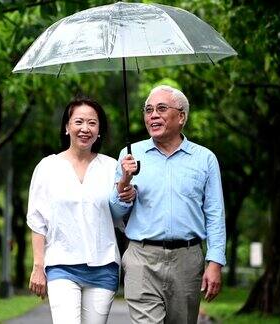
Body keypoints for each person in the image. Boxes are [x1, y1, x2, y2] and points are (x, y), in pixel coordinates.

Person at [108, 85, 226, 324]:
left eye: (161, 109)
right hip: (142, 258)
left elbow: (215, 214)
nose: (153, 115)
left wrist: (215, 262)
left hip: (187, 259)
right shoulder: (130, 155)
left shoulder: (205, 158)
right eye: (148, 110)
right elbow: (115, 211)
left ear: (181, 116)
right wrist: (124, 183)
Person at [27, 96, 136, 324]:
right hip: (61, 266)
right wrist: (38, 266)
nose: (85, 128)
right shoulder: (48, 167)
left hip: (104, 267)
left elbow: (120, 215)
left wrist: (126, 187)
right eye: (79, 122)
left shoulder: (111, 167)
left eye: (92, 123)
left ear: (99, 131)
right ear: (67, 127)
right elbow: (37, 222)